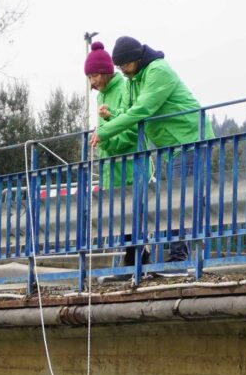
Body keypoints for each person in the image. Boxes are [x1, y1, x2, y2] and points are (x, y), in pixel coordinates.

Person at [92, 35, 203, 262]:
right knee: (171, 199)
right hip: (170, 147)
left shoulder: (158, 71)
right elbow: (128, 112)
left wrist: (104, 131)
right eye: (119, 66)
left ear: (137, 58)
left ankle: (179, 258)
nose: (122, 70)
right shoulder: (134, 79)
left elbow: (142, 110)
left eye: (125, 64)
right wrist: (112, 116)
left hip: (189, 139)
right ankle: (174, 257)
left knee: (178, 199)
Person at [83, 41, 142, 267]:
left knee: (133, 217)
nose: (93, 81)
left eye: (95, 75)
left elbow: (131, 131)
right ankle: (130, 265)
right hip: (111, 168)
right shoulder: (100, 96)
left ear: (107, 71)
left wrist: (105, 142)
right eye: (89, 77)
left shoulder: (124, 88)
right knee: (120, 220)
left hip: (130, 165)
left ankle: (135, 264)